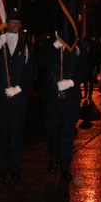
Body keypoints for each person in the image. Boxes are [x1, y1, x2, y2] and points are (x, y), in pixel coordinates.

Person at [0, 8, 36, 183]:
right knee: (1, 133)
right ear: (6, 24)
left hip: (18, 97)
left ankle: (15, 168)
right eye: (13, 22)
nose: (16, 25)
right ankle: (2, 168)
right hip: (1, 96)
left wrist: (19, 88)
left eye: (19, 22)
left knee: (16, 134)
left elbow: (31, 72)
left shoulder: (26, 46)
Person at [37, 33, 89, 181]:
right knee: (51, 130)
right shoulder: (47, 44)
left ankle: (65, 166)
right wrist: (55, 46)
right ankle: (54, 157)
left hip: (71, 96)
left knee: (68, 132)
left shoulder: (78, 46)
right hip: (52, 97)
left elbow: (84, 69)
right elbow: (40, 63)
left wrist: (72, 82)